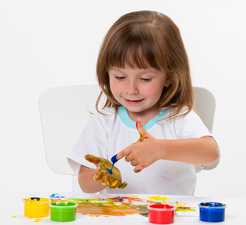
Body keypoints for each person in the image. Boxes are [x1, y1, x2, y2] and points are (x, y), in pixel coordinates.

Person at [67, 10, 220, 195]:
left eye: (145, 79)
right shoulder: (104, 122)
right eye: (120, 76)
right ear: (106, 73)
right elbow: (84, 183)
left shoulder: (178, 117)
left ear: (169, 77)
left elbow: (211, 154)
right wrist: (103, 175)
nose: (131, 89)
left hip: (173, 221)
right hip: (116, 220)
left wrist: (161, 149)